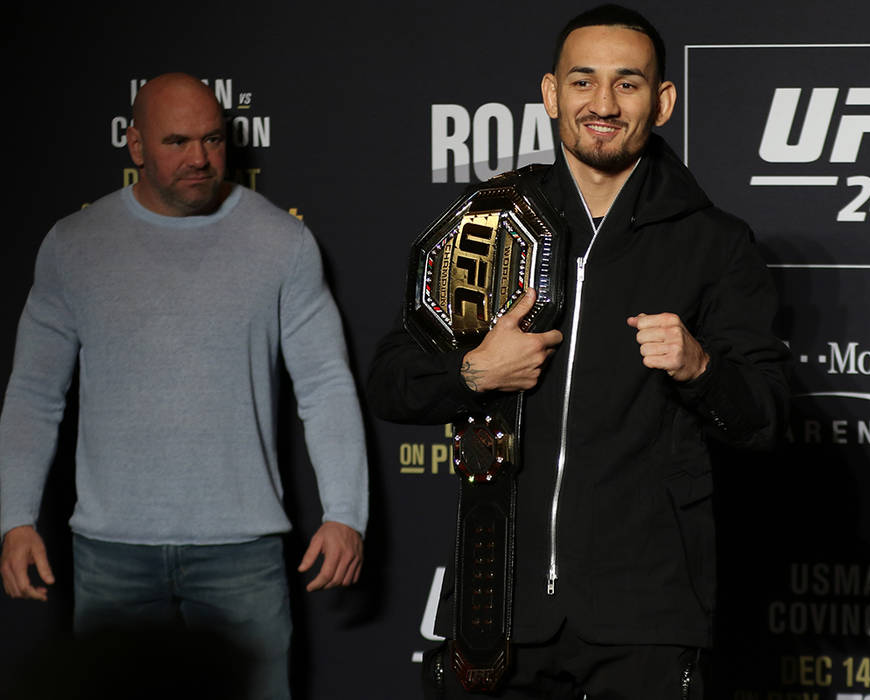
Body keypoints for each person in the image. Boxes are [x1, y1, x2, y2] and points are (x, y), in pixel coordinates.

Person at [368, 4, 789, 698]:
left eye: (628, 84)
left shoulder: (715, 243)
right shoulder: (489, 221)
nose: (602, 104)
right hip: (495, 598)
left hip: (645, 611)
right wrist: (475, 371)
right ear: (550, 94)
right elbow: (390, 380)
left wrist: (700, 369)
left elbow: (767, 417)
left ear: (663, 101)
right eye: (583, 81)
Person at [0, 73, 368, 700]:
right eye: (177, 142)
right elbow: (35, 393)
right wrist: (15, 517)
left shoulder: (283, 241)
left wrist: (345, 512)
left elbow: (326, 384)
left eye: (213, 139)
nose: (200, 158)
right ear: (135, 144)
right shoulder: (73, 246)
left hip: (243, 549)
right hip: (109, 549)